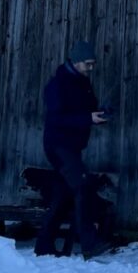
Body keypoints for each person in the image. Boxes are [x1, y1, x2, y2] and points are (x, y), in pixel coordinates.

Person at [35, 40, 111, 258]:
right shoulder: (57, 85)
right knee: (83, 186)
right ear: (76, 62)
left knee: (62, 195)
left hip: (73, 147)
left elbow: (89, 109)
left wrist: (101, 114)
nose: (91, 68)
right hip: (58, 145)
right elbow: (57, 118)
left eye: (93, 64)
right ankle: (90, 244)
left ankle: (43, 245)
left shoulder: (83, 83)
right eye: (88, 64)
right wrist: (87, 118)